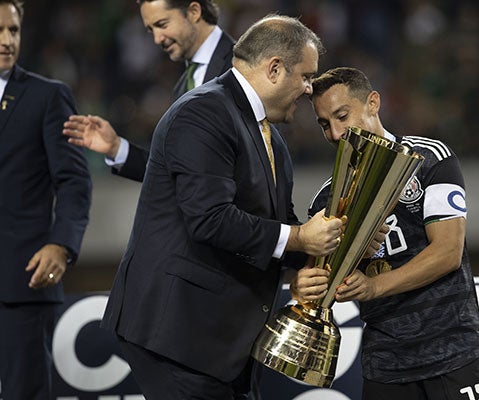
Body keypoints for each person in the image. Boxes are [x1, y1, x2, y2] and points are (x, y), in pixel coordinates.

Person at [100, 15, 344, 400]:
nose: (309, 89)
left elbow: (275, 223)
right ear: (275, 68)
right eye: (306, 76)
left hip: (222, 340)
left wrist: (304, 263)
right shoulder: (204, 112)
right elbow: (210, 220)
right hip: (179, 336)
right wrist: (299, 239)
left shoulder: (271, 137)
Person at [291, 67, 479, 400]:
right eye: (324, 124)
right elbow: (320, 278)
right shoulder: (325, 200)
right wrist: (304, 284)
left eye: (342, 116)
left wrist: (375, 286)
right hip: (385, 368)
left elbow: (447, 252)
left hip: (454, 354)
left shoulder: (430, 159)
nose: (334, 133)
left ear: (373, 103)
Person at [0, 1, 92, 398]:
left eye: (13, 31)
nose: (6, 41)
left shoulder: (48, 97)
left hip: (21, 282)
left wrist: (61, 244)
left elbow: (74, 180)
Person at [63, 0, 235, 182]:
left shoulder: (240, 65)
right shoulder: (183, 86)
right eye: (151, 30)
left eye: (162, 24)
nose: (157, 39)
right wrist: (116, 148)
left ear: (193, 12)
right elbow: (178, 172)